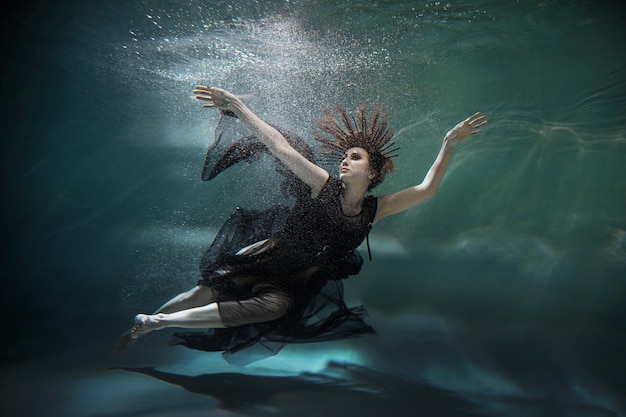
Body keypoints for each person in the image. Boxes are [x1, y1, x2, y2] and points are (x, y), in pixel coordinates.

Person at [112, 85, 487, 360]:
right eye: (342, 156)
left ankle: (158, 323)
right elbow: (280, 146)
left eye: (354, 158)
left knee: (273, 308)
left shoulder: (376, 208)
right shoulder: (322, 186)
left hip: (299, 280)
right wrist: (240, 107)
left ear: (371, 171)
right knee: (207, 291)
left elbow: (427, 189)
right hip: (267, 256)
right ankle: (147, 323)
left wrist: (449, 143)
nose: (344, 161)